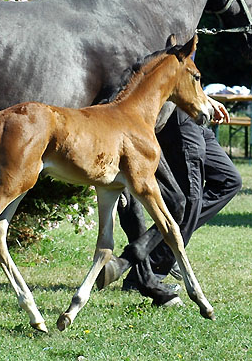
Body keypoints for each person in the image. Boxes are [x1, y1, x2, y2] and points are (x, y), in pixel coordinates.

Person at [97, 97, 242, 307]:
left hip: (196, 114)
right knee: (189, 201)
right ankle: (149, 271)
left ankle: (147, 257)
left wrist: (203, 97)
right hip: (177, 115)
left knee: (228, 180)